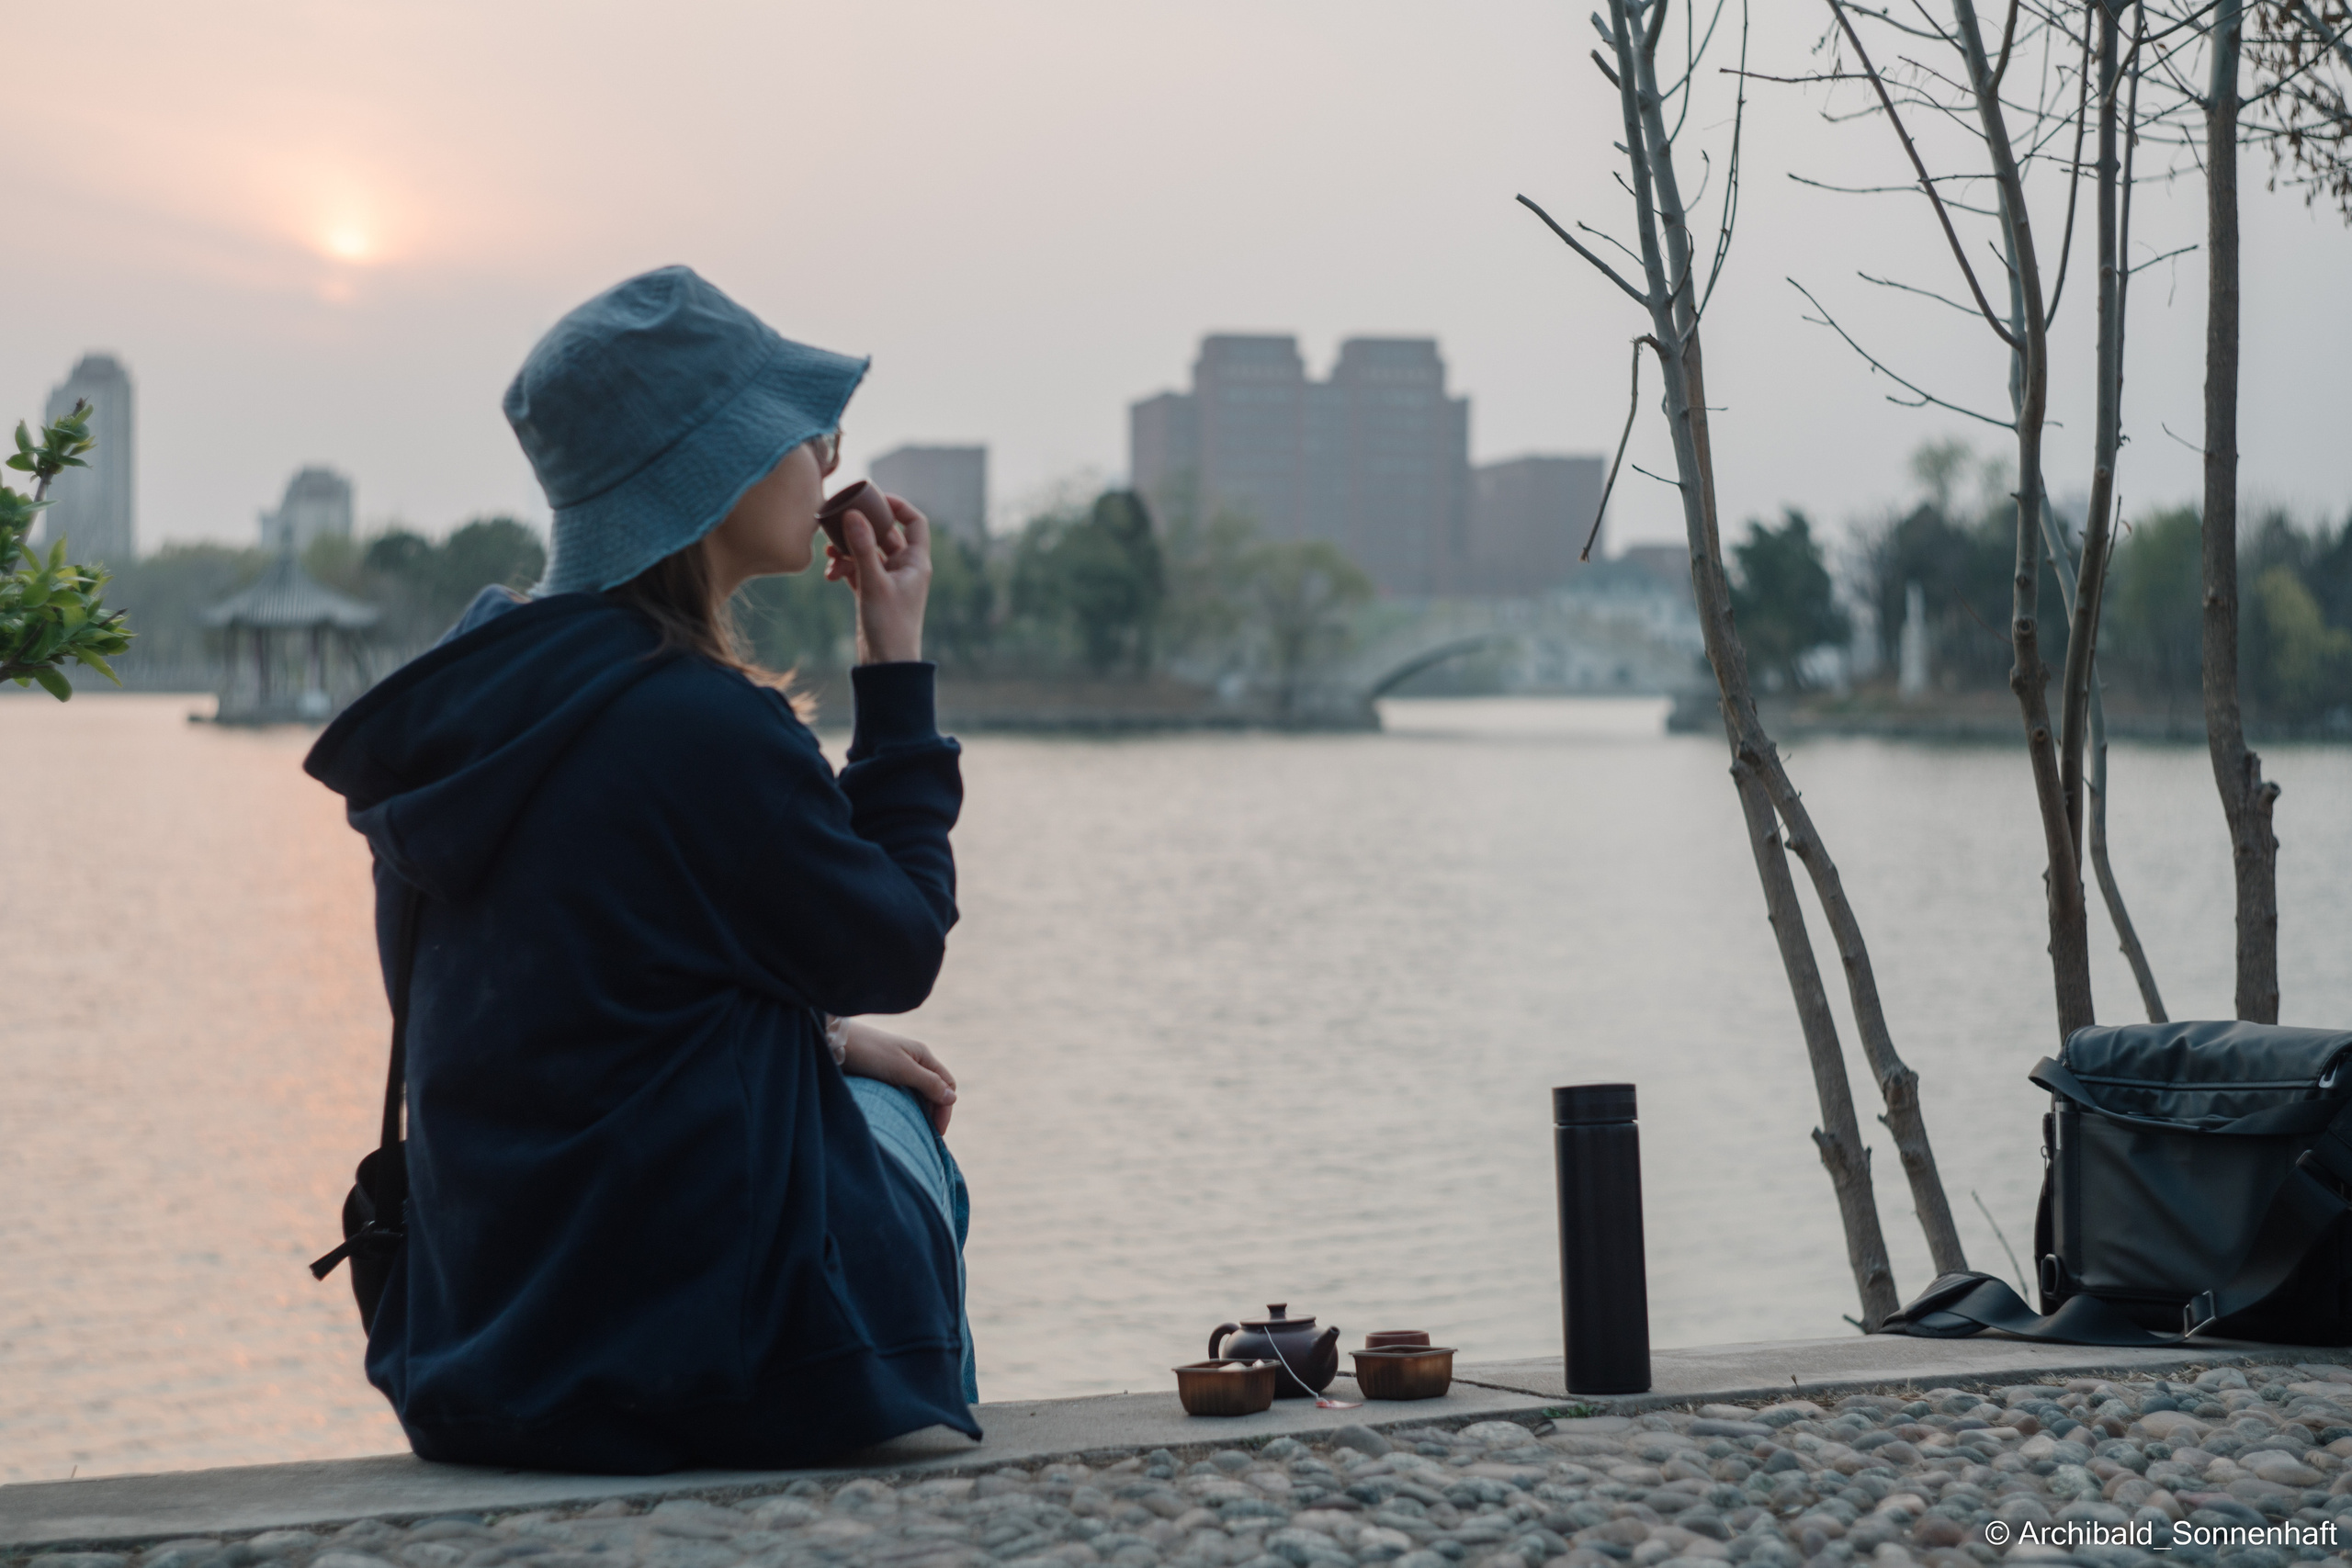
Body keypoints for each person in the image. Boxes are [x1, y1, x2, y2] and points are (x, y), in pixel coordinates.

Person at [304, 265, 978, 1473]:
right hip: (700, 1368)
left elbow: (574, 999)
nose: (827, 451)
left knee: (854, 1075)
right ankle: (913, 1502)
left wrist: (819, 1038)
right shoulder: (703, 732)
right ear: (710, 470)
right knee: (900, 1121)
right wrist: (895, 662)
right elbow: (901, 944)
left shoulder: (468, 711)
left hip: (477, 1367)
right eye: (793, 428)